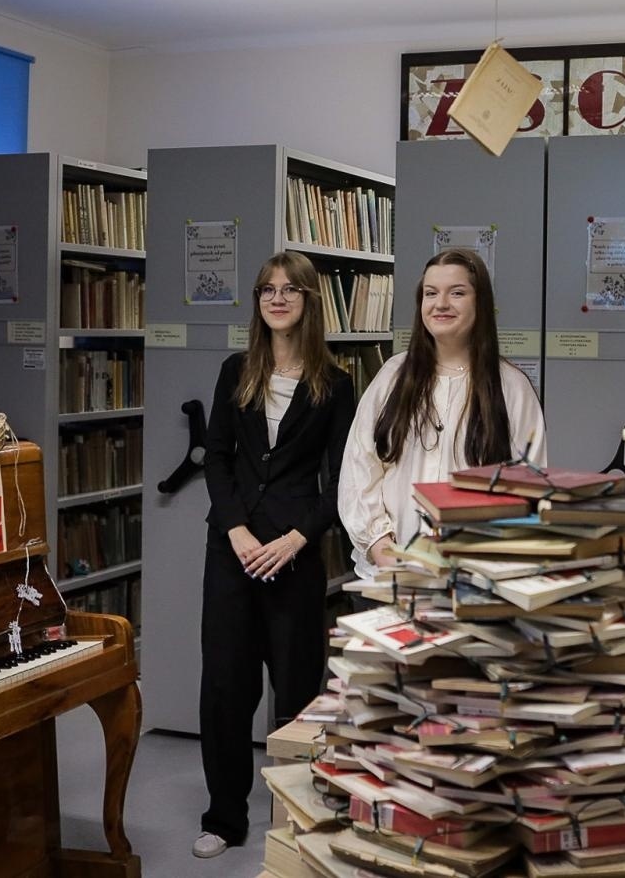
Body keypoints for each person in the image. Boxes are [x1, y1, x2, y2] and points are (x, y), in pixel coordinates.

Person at [194, 252, 356, 860]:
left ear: (310, 301)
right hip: (231, 552)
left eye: (290, 290)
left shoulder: (336, 384)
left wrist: (297, 538)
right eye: (267, 289)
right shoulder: (236, 370)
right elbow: (216, 458)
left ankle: (293, 818)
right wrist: (235, 530)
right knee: (226, 690)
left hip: (294, 554)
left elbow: (342, 479)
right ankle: (225, 818)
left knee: (296, 692)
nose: (277, 298)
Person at [339, 248, 546, 582]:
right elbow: (359, 466)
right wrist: (380, 545)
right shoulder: (392, 376)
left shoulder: (511, 387)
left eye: (458, 293)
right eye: (431, 293)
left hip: (474, 578)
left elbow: (528, 487)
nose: (441, 304)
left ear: (481, 303)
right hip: (389, 571)